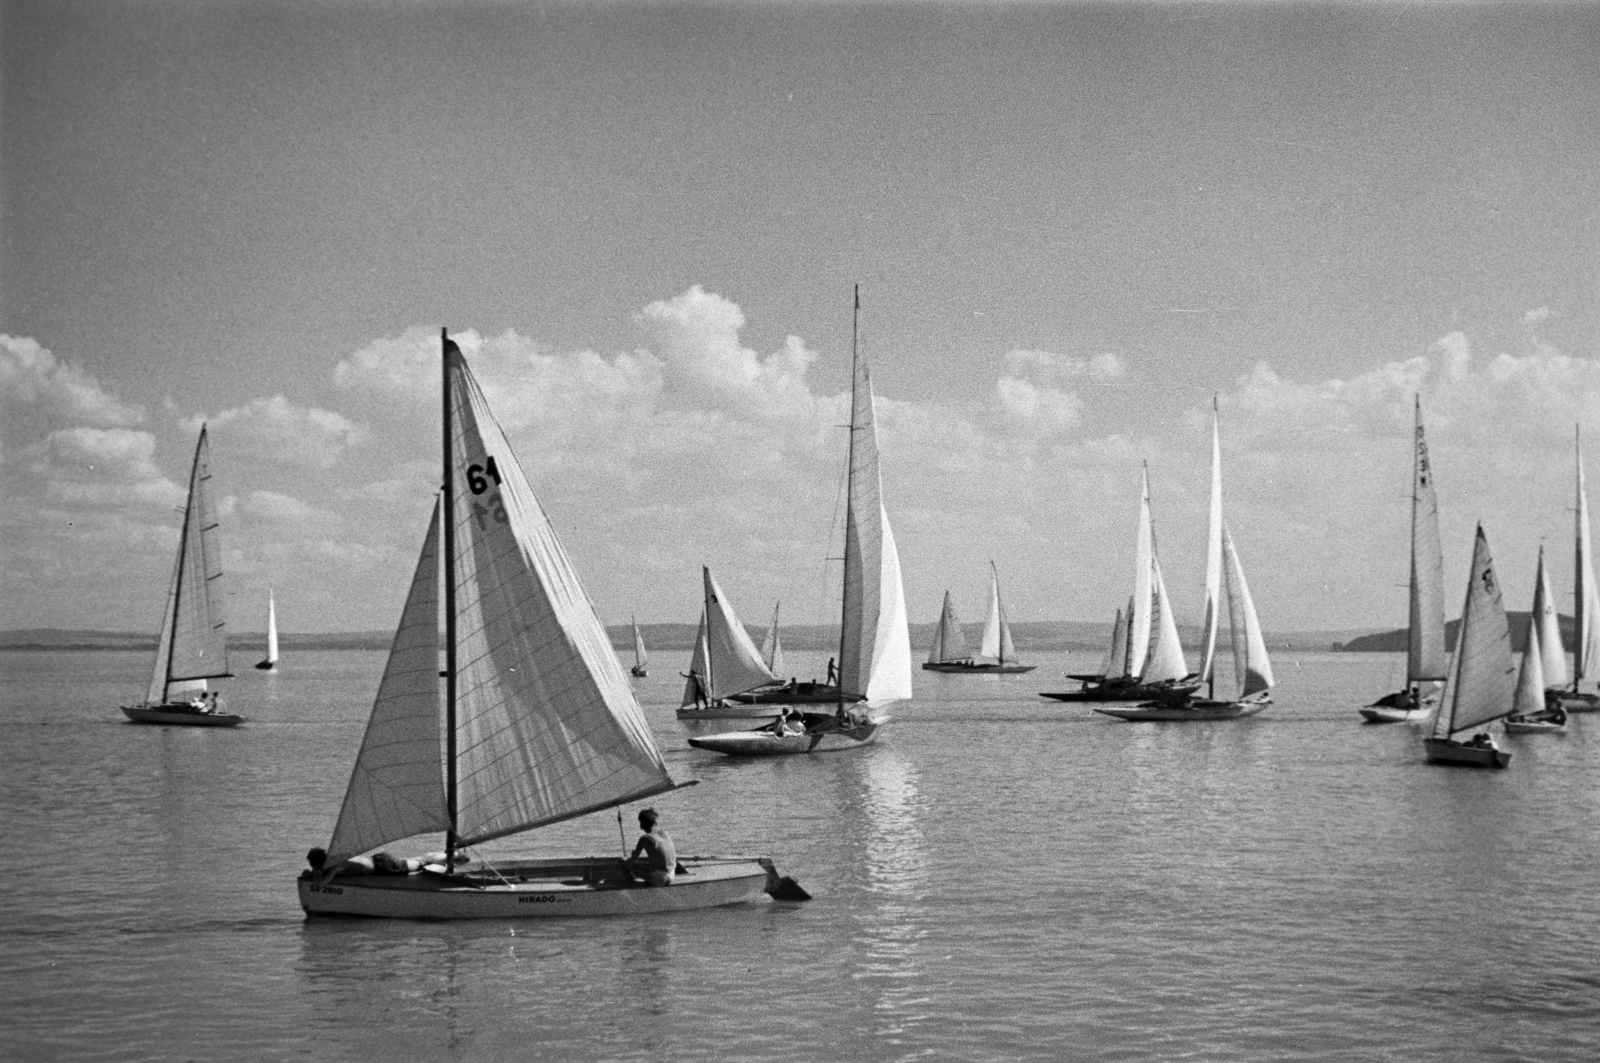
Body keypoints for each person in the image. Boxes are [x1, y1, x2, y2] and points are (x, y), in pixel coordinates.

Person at [627, 808, 676, 887]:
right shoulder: (666, 833)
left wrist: (630, 859)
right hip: (672, 874)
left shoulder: (645, 838)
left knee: (630, 865)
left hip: (660, 879)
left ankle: (628, 880)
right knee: (648, 865)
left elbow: (632, 862)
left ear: (641, 826)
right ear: (655, 822)